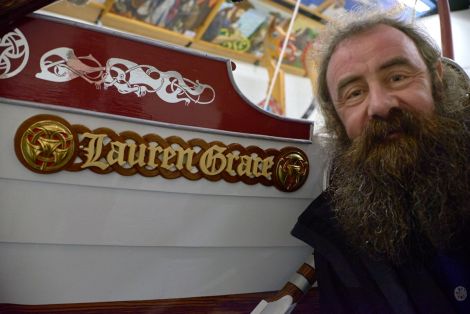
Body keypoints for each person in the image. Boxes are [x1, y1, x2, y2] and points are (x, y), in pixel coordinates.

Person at [291, 8, 470, 314]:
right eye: (355, 93)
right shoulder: (336, 239)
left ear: (436, 80)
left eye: (397, 77)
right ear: (338, 120)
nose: (380, 105)